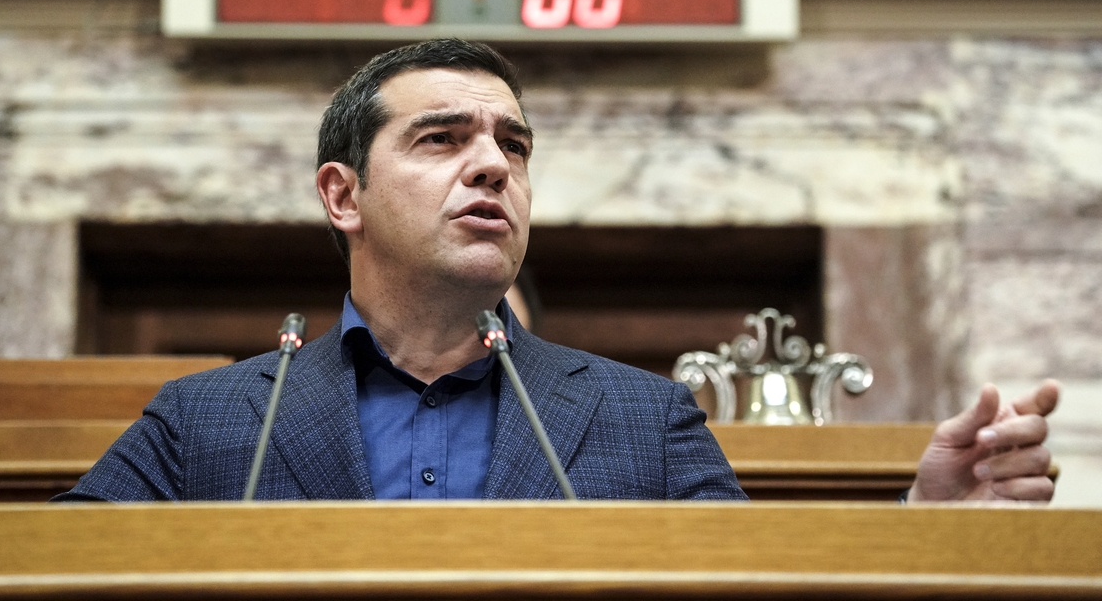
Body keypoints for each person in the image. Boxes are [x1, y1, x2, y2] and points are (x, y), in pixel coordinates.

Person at [55, 39, 1057, 503]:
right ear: (342, 194)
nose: (493, 164)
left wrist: (926, 526)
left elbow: (758, 589)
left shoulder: (643, 418)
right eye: (442, 138)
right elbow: (47, 572)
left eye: (514, 145)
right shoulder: (209, 420)